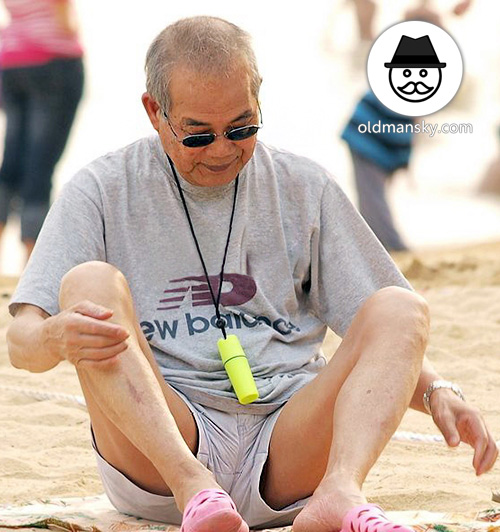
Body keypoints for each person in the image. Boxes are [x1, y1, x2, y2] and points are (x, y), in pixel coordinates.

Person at [6, 16, 497, 532]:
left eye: (242, 128)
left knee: (403, 305)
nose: (222, 150)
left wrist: (440, 390)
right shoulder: (100, 190)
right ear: (155, 112)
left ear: (259, 101)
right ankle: (196, 488)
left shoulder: (304, 185)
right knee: (89, 283)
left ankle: (338, 493)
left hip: (286, 440)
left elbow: (382, 337)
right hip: (163, 450)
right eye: (198, 135)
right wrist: (57, 337)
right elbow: (21, 341)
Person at [0, 0, 84, 261]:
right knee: (40, 164)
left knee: (11, 161)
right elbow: (66, 21)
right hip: (52, 61)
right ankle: (32, 266)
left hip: (11, 60)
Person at [341, 89, 412, 252]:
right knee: (372, 197)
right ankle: (391, 245)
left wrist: (401, 162)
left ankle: (373, 244)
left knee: (372, 196)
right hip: (365, 138)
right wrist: (402, 161)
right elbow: (401, 133)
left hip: (371, 138)